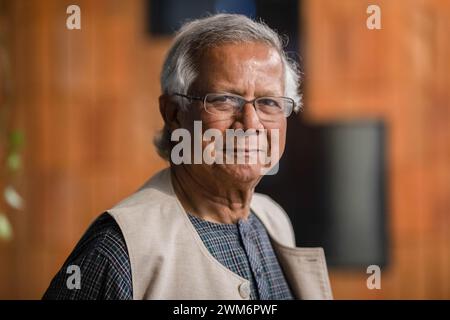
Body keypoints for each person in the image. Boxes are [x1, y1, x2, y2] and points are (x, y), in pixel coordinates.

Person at [43, 13, 332, 300]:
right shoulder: (118, 249)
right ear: (174, 113)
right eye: (224, 99)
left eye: (268, 102)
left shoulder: (273, 220)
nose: (251, 124)